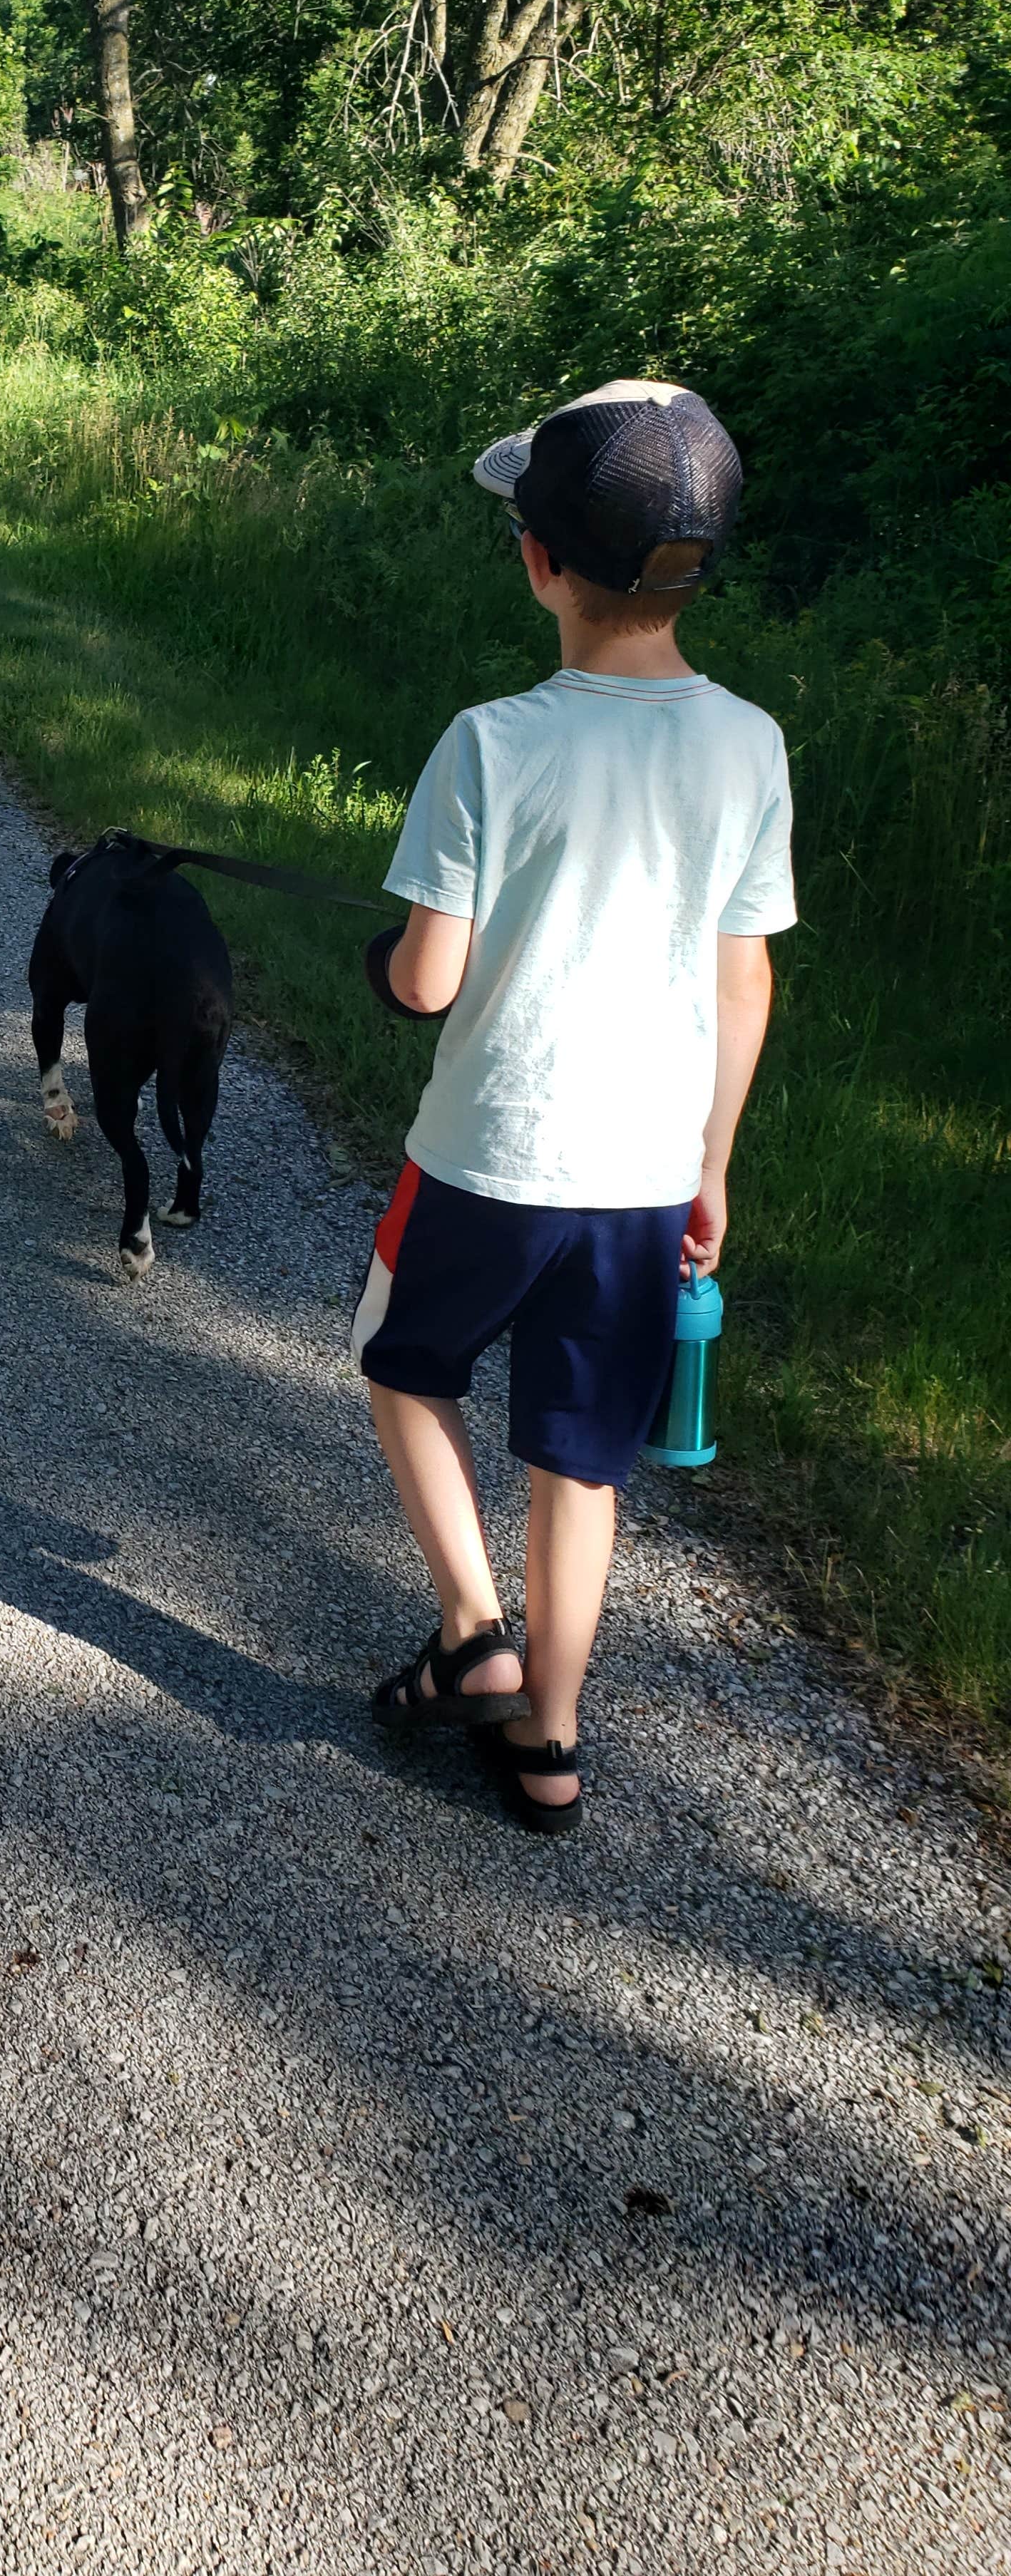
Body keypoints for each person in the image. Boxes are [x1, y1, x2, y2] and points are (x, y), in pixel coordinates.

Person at [357, 380, 794, 1835]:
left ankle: (474, 1630)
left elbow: (426, 980)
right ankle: (550, 1741)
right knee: (580, 1456)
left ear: (537, 558)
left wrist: (391, 959)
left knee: (402, 1364)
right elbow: (744, 986)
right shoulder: (750, 746)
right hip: (646, 1172)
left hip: (489, 1155)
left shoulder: (492, 741)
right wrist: (712, 1165)